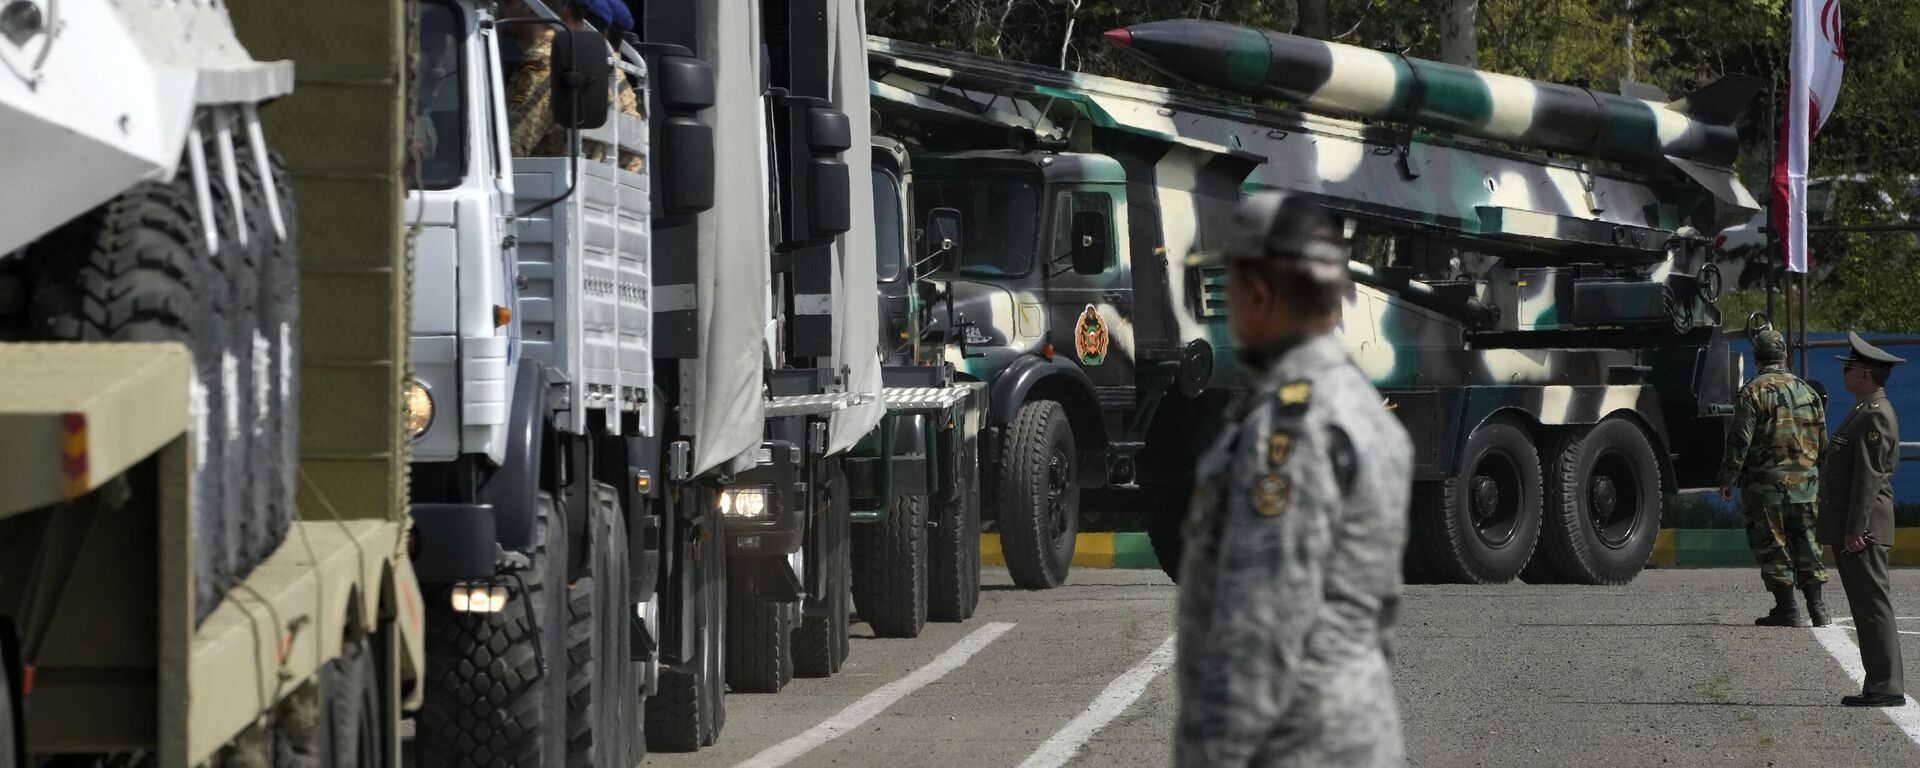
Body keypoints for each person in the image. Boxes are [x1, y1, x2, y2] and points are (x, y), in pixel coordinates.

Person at [1174, 191, 1412, 767]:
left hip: (1294, 745)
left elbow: (1261, 629)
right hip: (1355, 732)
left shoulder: (1291, 427)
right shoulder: (1359, 407)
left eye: (1228, 285)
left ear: (1259, 294)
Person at [1717, 327, 1829, 626]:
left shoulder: (1752, 392)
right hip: (1806, 485)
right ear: (1785, 357)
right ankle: (1818, 608)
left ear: (1757, 359)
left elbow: (1740, 440)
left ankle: (1787, 609)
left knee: (1773, 544)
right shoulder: (1809, 391)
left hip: (1766, 488)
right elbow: (1822, 441)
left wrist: (1728, 478)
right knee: (1807, 543)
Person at [1819, 332, 1906, 707]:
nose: (1845, 372)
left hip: (1863, 529)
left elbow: (1868, 477)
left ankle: (1886, 686)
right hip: (1856, 527)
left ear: (1867, 375)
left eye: (1850, 368)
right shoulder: (1863, 411)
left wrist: (1856, 527)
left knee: (1872, 607)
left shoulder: (1874, 416)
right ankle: (1879, 683)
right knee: (1865, 607)